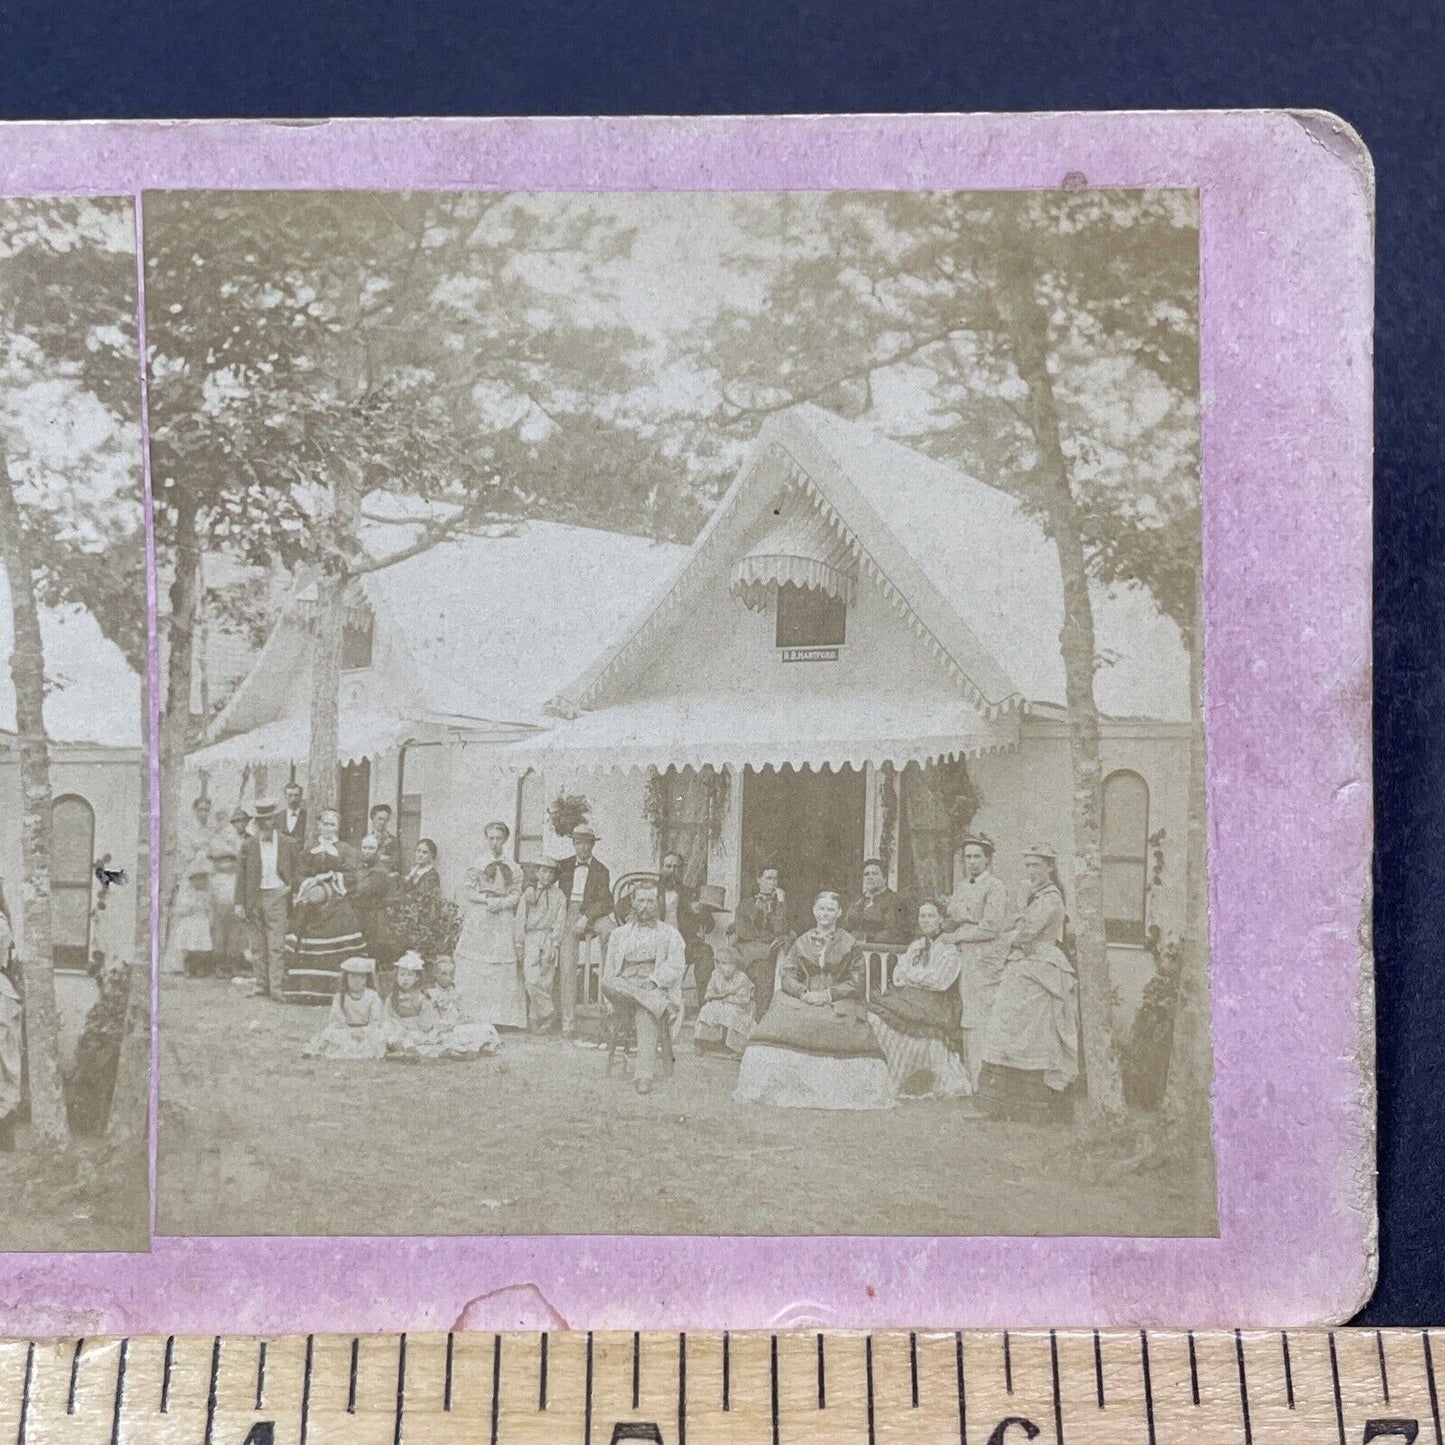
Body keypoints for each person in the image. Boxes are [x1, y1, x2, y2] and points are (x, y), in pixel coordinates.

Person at [734, 890, 893, 1110]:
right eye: (821, 908)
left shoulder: (849, 943)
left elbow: (857, 981)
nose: (825, 914)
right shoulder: (802, 941)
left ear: (838, 913)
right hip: (805, 996)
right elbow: (787, 973)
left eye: (830, 909)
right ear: (814, 911)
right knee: (775, 1024)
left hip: (839, 997)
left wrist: (828, 995)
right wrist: (802, 992)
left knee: (840, 1025)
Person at [977, 844, 1080, 1124]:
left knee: (1033, 1035)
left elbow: (1024, 931)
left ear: (1049, 868)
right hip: (1021, 969)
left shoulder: (1050, 899)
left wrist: (1019, 909)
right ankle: (1000, 1103)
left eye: (1036, 866)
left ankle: (1035, 1106)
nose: (1031, 872)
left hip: (1040, 970)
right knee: (1005, 1030)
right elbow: (1007, 927)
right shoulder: (1035, 897)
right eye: (1028, 866)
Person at [868, 900, 971, 1098]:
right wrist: (920, 976)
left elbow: (940, 981)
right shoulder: (916, 946)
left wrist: (913, 976)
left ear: (941, 919)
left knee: (909, 1018)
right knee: (879, 1013)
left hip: (939, 1002)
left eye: (930, 915)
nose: (925, 920)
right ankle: (894, 1075)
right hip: (914, 996)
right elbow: (898, 976)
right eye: (922, 916)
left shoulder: (950, 947)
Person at [600, 878, 686, 1094]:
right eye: (641, 901)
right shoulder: (619, 935)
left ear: (658, 903)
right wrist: (636, 990)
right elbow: (610, 970)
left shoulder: (670, 934)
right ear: (633, 902)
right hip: (624, 988)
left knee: (645, 1011)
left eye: (650, 901)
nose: (645, 906)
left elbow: (676, 966)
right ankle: (650, 1002)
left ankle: (643, 1075)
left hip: (654, 984)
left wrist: (653, 981)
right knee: (606, 981)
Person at [945, 833, 1010, 1088]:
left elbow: (991, 928)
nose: (971, 862)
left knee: (983, 1016)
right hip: (966, 958)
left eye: (977, 857)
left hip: (986, 959)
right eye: (967, 857)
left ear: (988, 859)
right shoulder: (962, 886)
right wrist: (966, 919)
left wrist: (960, 931)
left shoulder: (995, 887)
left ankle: (985, 1082)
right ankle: (971, 1079)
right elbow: (953, 914)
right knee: (968, 1016)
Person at [283, 808, 365, 1004]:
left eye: (332, 824)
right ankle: (307, 991)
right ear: (319, 826)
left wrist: (332, 877)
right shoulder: (309, 850)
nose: (328, 828)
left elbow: (353, 876)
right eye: (325, 824)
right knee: (305, 942)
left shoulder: (346, 850)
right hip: (311, 904)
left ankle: (336, 992)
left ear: (338, 827)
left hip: (336, 902)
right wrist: (312, 881)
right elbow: (297, 876)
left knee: (340, 937)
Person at [454, 821, 527, 1028]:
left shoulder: (513, 867)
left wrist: (501, 903)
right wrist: (486, 900)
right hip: (481, 915)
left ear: (505, 840)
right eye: (491, 838)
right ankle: (472, 1013)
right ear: (486, 839)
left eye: (498, 838)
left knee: (500, 966)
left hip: (502, 917)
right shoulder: (478, 863)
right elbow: (468, 891)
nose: (494, 842)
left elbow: (515, 893)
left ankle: (500, 1018)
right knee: (475, 963)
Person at [554, 823, 615, 1038]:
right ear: (573, 844)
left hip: (593, 913)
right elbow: (538, 877)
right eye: (578, 843)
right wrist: (533, 888)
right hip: (569, 913)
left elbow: (606, 901)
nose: (582, 848)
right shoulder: (562, 866)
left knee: (611, 932)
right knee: (568, 961)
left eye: (586, 843)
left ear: (592, 845)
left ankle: (608, 998)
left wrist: (587, 916)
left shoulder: (601, 870)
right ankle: (568, 1023)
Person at [237, 800, 302, 998]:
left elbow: (297, 871)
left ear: (274, 821)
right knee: (257, 946)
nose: (265, 824)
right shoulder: (248, 845)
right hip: (254, 898)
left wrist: (290, 888)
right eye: (261, 820)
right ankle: (261, 986)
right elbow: (241, 876)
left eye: (269, 820)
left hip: (278, 896)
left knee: (276, 946)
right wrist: (239, 903)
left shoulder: (288, 843)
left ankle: (277, 988)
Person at [515, 856, 567, 1030]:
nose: (546, 876)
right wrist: (519, 944)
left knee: (545, 981)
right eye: (543, 871)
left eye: (550, 872)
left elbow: (560, 921)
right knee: (531, 979)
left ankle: (535, 1020)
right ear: (537, 872)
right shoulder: (528, 893)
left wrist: (555, 944)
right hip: (531, 937)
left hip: (549, 938)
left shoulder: (558, 895)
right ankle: (550, 1012)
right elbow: (520, 919)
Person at [732, 864, 790, 1016]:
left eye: (776, 879)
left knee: (767, 970)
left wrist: (781, 903)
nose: (773, 883)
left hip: (770, 953)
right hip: (747, 952)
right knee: (759, 970)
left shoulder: (780, 905)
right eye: (768, 878)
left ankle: (764, 1019)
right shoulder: (746, 904)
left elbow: (780, 930)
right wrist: (769, 938)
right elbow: (744, 932)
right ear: (759, 880)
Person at [302, 957, 386, 1060]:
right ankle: (318, 1051)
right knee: (330, 1032)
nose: (357, 981)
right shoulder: (340, 997)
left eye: (361, 977)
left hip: (366, 1031)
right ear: (346, 978)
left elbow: (376, 1020)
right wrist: (350, 1031)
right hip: (345, 1030)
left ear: (366, 979)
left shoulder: (372, 996)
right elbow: (337, 1019)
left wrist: (363, 1031)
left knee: (379, 1034)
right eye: (352, 977)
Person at [692, 936, 755, 1057]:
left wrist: (727, 999)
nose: (721, 966)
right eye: (719, 963)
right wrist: (718, 997)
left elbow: (744, 999)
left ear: (735, 964)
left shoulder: (741, 977)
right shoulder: (716, 975)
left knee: (730, 1011)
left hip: (741, 1007)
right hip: (721, 1002)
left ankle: (732, 1046)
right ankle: (705, 1042)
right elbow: (709, 993)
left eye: (725, 963)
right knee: (708, 1008)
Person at [426, 956, 500, 1057]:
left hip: (457, 1024)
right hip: (444, 1028)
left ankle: (485, 1047)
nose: (448, 977)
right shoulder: (432, 994)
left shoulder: (454, 993)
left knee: (486, 1027)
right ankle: (463, 1050)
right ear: (435, 974)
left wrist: (465, 1018)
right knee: (450, 1037)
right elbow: (432, 1019)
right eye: (444, 974)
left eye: (451, 974)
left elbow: (461, 1012)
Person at [352, 834, 400, 967]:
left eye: (371, 848)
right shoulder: (358, 867)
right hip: (357, 914)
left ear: (378, 850)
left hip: (372, 916)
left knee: (370, 950)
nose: (367, 851)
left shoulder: (380, 871)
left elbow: (365, 891)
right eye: (365, 847)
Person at [842, 858, 912, 947]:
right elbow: (845, 929)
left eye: (874, 874)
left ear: (885, 878)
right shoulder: (857, 902)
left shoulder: (895, 901)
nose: (869, 877)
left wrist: (864, 937)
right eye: (866, 874)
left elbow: (894, 933)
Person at [166, 857, 216, 976]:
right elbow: (182, 909)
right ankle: (188, 967)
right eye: (195, 880)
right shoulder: (187, 894)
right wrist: (189, 908)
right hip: (190, 922)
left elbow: (210, 908)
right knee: (188, 946)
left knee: (201, 947)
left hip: (202, 921)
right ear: (191, 881)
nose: (199, 883)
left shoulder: (207, 894)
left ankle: (200, 968)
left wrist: (210, 919)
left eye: (202, 880)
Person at [368, 803, 400, 875]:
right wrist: (382, 858)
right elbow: (362, 861)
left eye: (386, 820)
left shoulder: (393, 840)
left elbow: (395, 862)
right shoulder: (365, 840)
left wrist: (374, 858)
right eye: (380, 819)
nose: (382, 822)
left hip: (387, 879)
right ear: (372, 818)